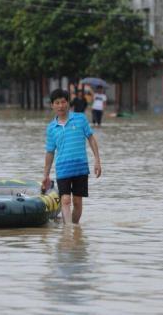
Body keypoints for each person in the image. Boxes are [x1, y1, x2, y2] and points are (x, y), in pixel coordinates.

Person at [42, 89, 101, 224]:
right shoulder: (51, 128)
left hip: (80, 168)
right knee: (66, 200)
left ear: (68, 103)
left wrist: (97, 160)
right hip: (62, 169)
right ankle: (68, 232)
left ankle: (75, 230)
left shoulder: (80, 119)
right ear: (52, 105)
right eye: (57, 103)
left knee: (77, 202)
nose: (61, 106)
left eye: (63, 102)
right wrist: (45, 175)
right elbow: (50, 152)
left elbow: (91, 139)